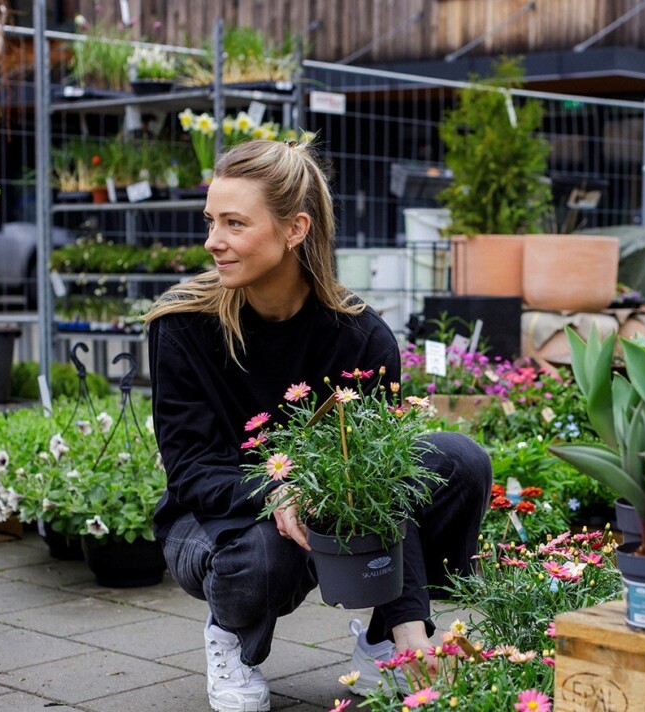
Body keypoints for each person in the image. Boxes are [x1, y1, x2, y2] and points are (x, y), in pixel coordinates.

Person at [144, 138, 491, 712]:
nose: (213, 242)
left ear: (295, 228)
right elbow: (192, 471)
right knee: (262, 556)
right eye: (211, 221)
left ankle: (385, 642)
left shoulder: (359, 337)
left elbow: (384, 487)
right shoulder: (183, 326)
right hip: (211, 516)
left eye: (234, 223)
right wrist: (278, 489)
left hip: (327, 501)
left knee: (459, 462)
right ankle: (231, 637)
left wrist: (411, 624)